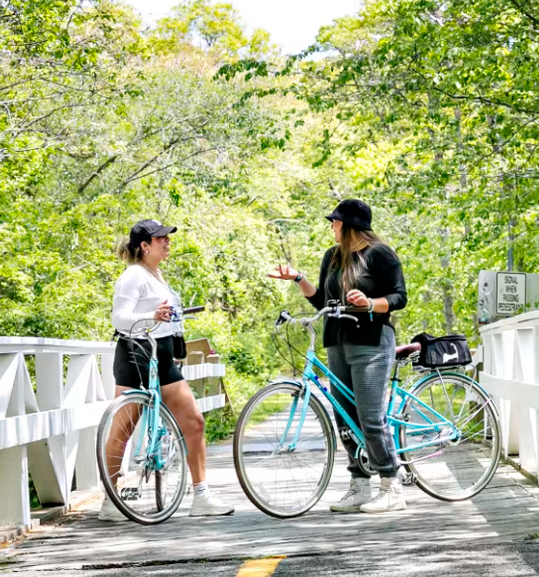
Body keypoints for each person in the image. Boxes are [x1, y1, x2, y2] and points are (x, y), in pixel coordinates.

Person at [268, 199, 408, 513]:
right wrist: (297, 279)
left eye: (334, 221)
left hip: (371, 340)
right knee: (345, 417)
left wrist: (370, 302)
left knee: (371, 418)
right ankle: (360, 485)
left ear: (348, 225)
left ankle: (392, 485)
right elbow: (322, 302)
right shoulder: (332, 257)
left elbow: (399, 297)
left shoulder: (380, 254)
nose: (331, 226)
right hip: (337, 341)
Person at [100, 219, 235, 521]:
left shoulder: (156, 274)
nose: (167, 242)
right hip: (136, 353)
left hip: (161, 357)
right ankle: (110, 501)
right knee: (122, 430)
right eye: (161, 238)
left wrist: (176, 347)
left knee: (194, 422)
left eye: (167, 238)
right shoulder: (133, 275)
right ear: (144, 246)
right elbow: (120, 318)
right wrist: (152, 315)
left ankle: (201, 496)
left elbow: (168, 320)